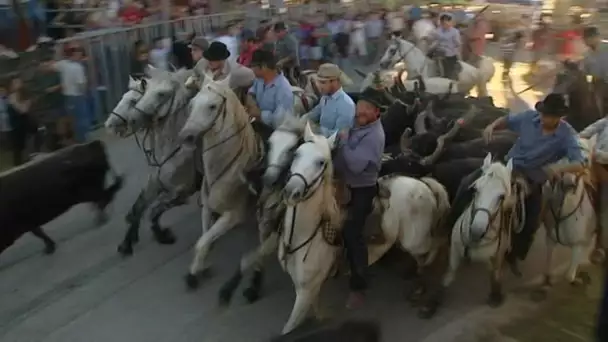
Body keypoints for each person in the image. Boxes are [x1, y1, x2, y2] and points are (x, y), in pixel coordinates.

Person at [447, 94, 585, 275]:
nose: (546, 119)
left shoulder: (566, 135)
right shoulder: (529, 117)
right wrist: (492, 126)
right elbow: (507, 120)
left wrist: (558, 169)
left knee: (532, 217)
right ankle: (449, 228)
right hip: (508, 164)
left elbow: (580, 163)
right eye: (544, 114)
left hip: (533, 175)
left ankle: (514, 255)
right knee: (468, 183)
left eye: (551, 116)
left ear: (560, 117)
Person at [333, 87, 385, 309]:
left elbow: (354, 164)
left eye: (366, 109)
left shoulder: (375, 135)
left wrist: (343, 142)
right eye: (359, 107)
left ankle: (359, 284)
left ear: (377, 113)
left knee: (353, 231)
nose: (360, 112)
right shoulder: (358, 124)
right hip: (343, 181)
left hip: (361, 187)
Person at [302, 63, 355, 137]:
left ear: (334, 82)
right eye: (319, 82)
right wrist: (302, 120)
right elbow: (315, 113)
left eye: (323, 82)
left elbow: (339, 136)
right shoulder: (325, 97)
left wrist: (317, 130)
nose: (319, 86)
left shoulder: (346, 105)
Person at [579, 115, 608, 250]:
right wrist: (579, 140)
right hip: (595, 166)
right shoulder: (605, 122)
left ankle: (600, 246)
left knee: (602, 208)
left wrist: (596, 153)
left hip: (605, 171)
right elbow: (587, 132)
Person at [246, 49, 294, 130]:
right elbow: (251, 92)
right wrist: (251, 103)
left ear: (264, 66)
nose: (251, 70)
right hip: (258, 123)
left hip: (274, 131)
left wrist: (259, 114)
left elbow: (279, 120)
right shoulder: (259, 79)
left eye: (253, 66)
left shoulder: (284, 89)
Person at [56, 47, 89, 143]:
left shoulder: (63, 64)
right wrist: (84, 94)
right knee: (81, 119)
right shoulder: (78, 67)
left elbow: (52, 66)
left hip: (67, 97)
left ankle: (76, 139)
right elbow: (81, 84)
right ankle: (81, 140)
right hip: (77, 96)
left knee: (73, 119)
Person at [36, 54, 69, 149]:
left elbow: (63, 85)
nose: (46, 67)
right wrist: (57, 87)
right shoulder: (40, 77)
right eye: (44, 66)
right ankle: (53, 145)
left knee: (62, 125)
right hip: (48, 106)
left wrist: (56, 88)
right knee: (51, 127)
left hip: (59, 103)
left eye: (48, 65)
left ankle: (63, 141)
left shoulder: (56, 74)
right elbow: (46, 90)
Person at [7, 76, 38, 165]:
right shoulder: (11, 97)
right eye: (15, 83)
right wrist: (27, 103)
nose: (18, 85)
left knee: (29, 146)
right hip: (16, 126)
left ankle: (30, 160)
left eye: (19, 82)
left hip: (27, 124)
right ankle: (18, 165)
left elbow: (28, 108)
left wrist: (27, 103)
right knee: (18, 149)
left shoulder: (26, 94)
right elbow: (22, 110)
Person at [581, 26, 608, 117]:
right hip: (599, 85)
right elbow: (587, 74)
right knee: (602, 112)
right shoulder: (587, 55)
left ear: (595, 37)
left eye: (587, 39)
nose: (585, 42)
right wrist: (590, 86)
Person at [429, 13, 461, 80]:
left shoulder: (455, 32)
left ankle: (450, 77)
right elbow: (432, 39)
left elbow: (458, 44)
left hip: (450, 53)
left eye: (447, 22)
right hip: (439, 51)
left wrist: (454, 45)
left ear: (450, 22)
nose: (445, 25)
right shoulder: (437, 31)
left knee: (450, 69)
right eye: (443, 23)